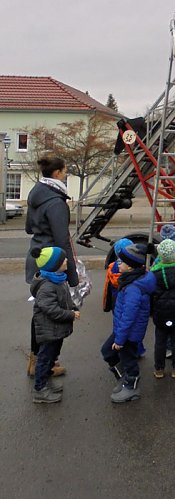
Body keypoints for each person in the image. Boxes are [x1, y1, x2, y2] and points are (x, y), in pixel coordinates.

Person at [25, 155, 77, 378]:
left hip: (37, 256)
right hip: (54, 261)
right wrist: (72, 275)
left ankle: (36, 361)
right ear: (57, 174)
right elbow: (62, 239)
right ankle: (45, 363)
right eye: (65, 170)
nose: (66, 174)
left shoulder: (37, 194)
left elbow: (28, 228)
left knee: (40, 310)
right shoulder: (56, 202)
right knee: (52, 313)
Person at [100, 244, 156, 403]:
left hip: (128, 334)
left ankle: (131, 387)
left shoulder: (133, 288)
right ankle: (123, 379)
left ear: (131, 267)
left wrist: (120, 339)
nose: (118, 263)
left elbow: (129, 316)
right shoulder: (131, 280)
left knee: (128, 360)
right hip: (123, 330)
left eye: (122, 262)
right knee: (107, 351)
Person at [30, 246, 80, 404]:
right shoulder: (47, 286)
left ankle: (47, 382)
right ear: (54, 265)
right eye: (62, 259)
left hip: (56, 330)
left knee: (52, 356)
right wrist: (70, 314)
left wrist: (72, 307)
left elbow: (64, 299)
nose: (66, 260)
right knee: (44, 358)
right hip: (49, 330)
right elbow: (51, 310)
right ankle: (40, 389)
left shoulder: (58, 279)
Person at [150, 238, 175, 379]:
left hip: (160, 312)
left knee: (160, 341)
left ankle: (159, 369)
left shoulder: (154, 273)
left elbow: (151, 293)